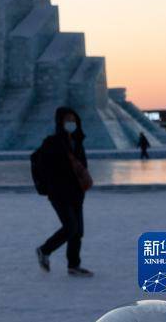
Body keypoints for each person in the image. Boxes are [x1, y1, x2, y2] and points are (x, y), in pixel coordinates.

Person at [35, 106, 94, 277]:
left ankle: (73, 265)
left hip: (76, 191)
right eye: (68, 120)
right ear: (60, 122)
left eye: (73, 120)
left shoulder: (77, 141)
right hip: (59, 193)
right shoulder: (52, 142)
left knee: (78, 231)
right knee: (70, 227)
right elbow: (44, 166)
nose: (71, 123)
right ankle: (44, 250)